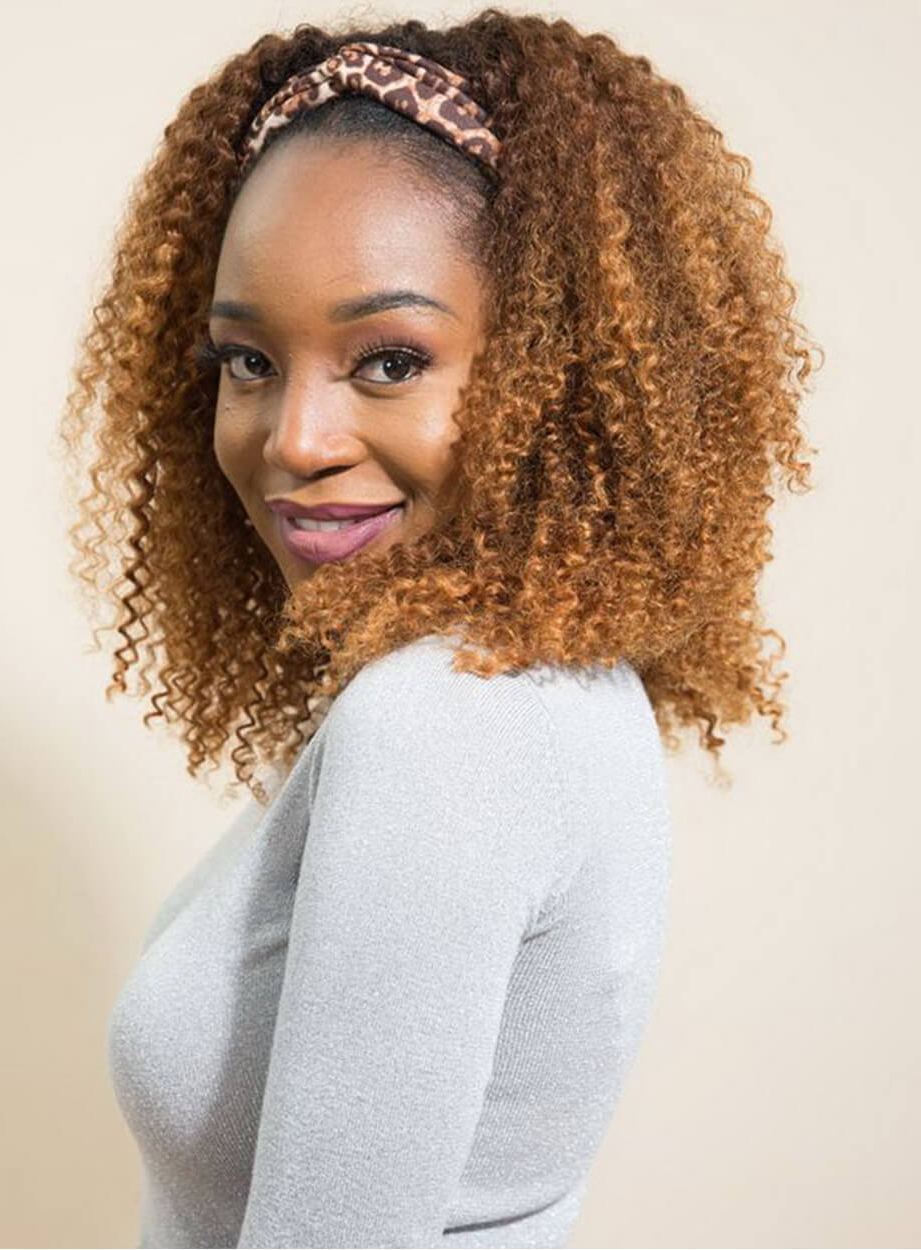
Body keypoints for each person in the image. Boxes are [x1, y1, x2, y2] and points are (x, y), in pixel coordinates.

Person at [60, 11, 823, 1247]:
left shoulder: (447, 719)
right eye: (247, 360)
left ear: (553, 373)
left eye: (389, 360)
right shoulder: (531, 686)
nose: (294, 439)